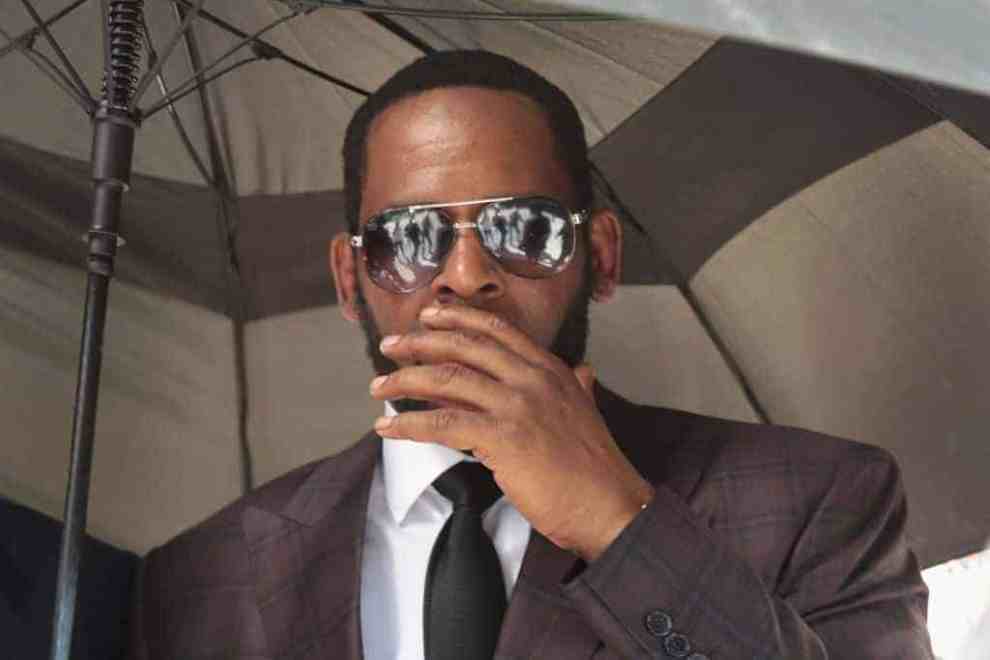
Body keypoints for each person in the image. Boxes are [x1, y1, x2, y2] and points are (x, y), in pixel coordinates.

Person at [128, 51, 934, 659]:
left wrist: (620, 525)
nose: (468, 275)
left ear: (604, 258)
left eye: (524, 228)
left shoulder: (821, 501)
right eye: (411, 238)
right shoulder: (202, 579)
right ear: (350, 278)